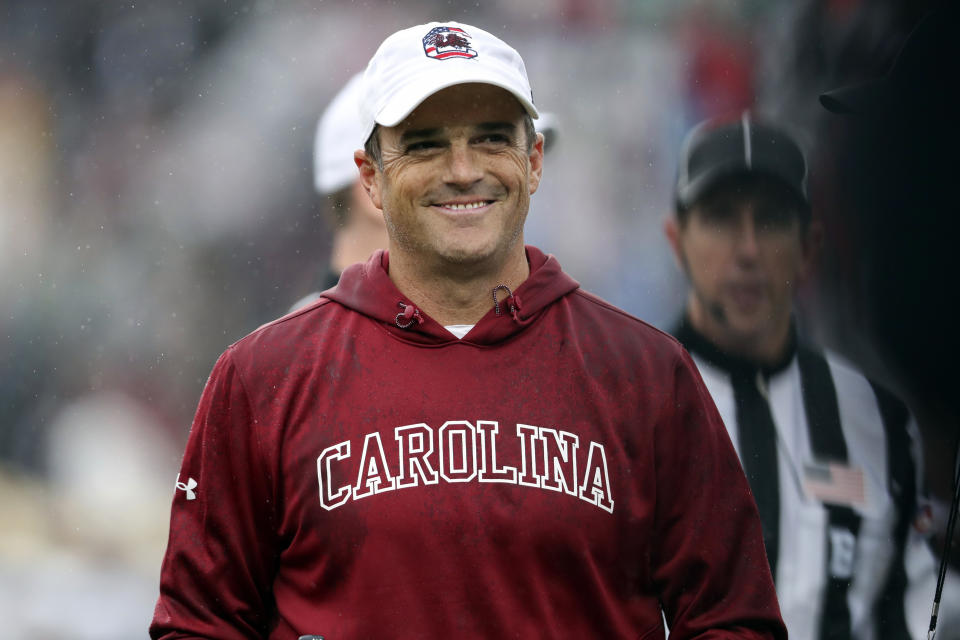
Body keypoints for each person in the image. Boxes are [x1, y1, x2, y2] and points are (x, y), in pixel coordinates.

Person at [151, 22, 786, 639]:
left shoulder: (646, 374)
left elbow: (733, 618)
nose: (462, 170)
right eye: (425, 143)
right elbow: (199, 623)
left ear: (533, 161)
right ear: (370, 177)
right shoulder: (264, 378)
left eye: (490, 139)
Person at [663, 112, 937, 640]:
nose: (747, 251)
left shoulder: (877, 423)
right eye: (721, 217)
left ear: (809, 246)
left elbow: (922, 612)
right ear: (677, 241)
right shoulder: (621, 408)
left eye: (769, 219)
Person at [290, 72, 559, 312]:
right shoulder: (303, 354)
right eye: (428, 148)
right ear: (371, 182)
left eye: (494, 141)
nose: (467, 174)